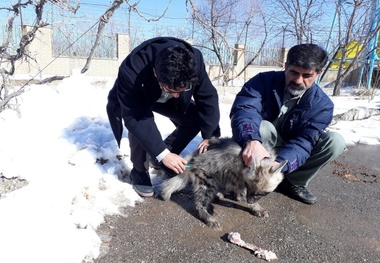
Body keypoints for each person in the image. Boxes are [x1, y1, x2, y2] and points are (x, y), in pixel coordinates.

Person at [230, 43, 346, 205]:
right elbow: (244, 110)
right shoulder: (263, 82)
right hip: (262, 146)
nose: (298, 80)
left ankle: (293, 182)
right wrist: (251, 140)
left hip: (289, 151)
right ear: (285, 66)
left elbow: (305, 141)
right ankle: (246, 181)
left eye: (307, 75)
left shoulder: (322, 105)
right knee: (263, 127)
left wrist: (280, 166)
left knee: (335, 142)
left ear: (318, 73)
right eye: (294, 72)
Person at [106, 37, 220, 198]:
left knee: (194, 118)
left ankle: (161, 160)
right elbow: (136, 116)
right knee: (141, 127)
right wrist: (162, 153)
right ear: (155, 72)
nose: (175, 95)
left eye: (182, 89)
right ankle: (139, 171)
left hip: (162, 96)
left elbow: (207, 96)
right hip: (139, 95)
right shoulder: (132, 68)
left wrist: (210, 136)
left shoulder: (194, 60)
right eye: (171, 89)